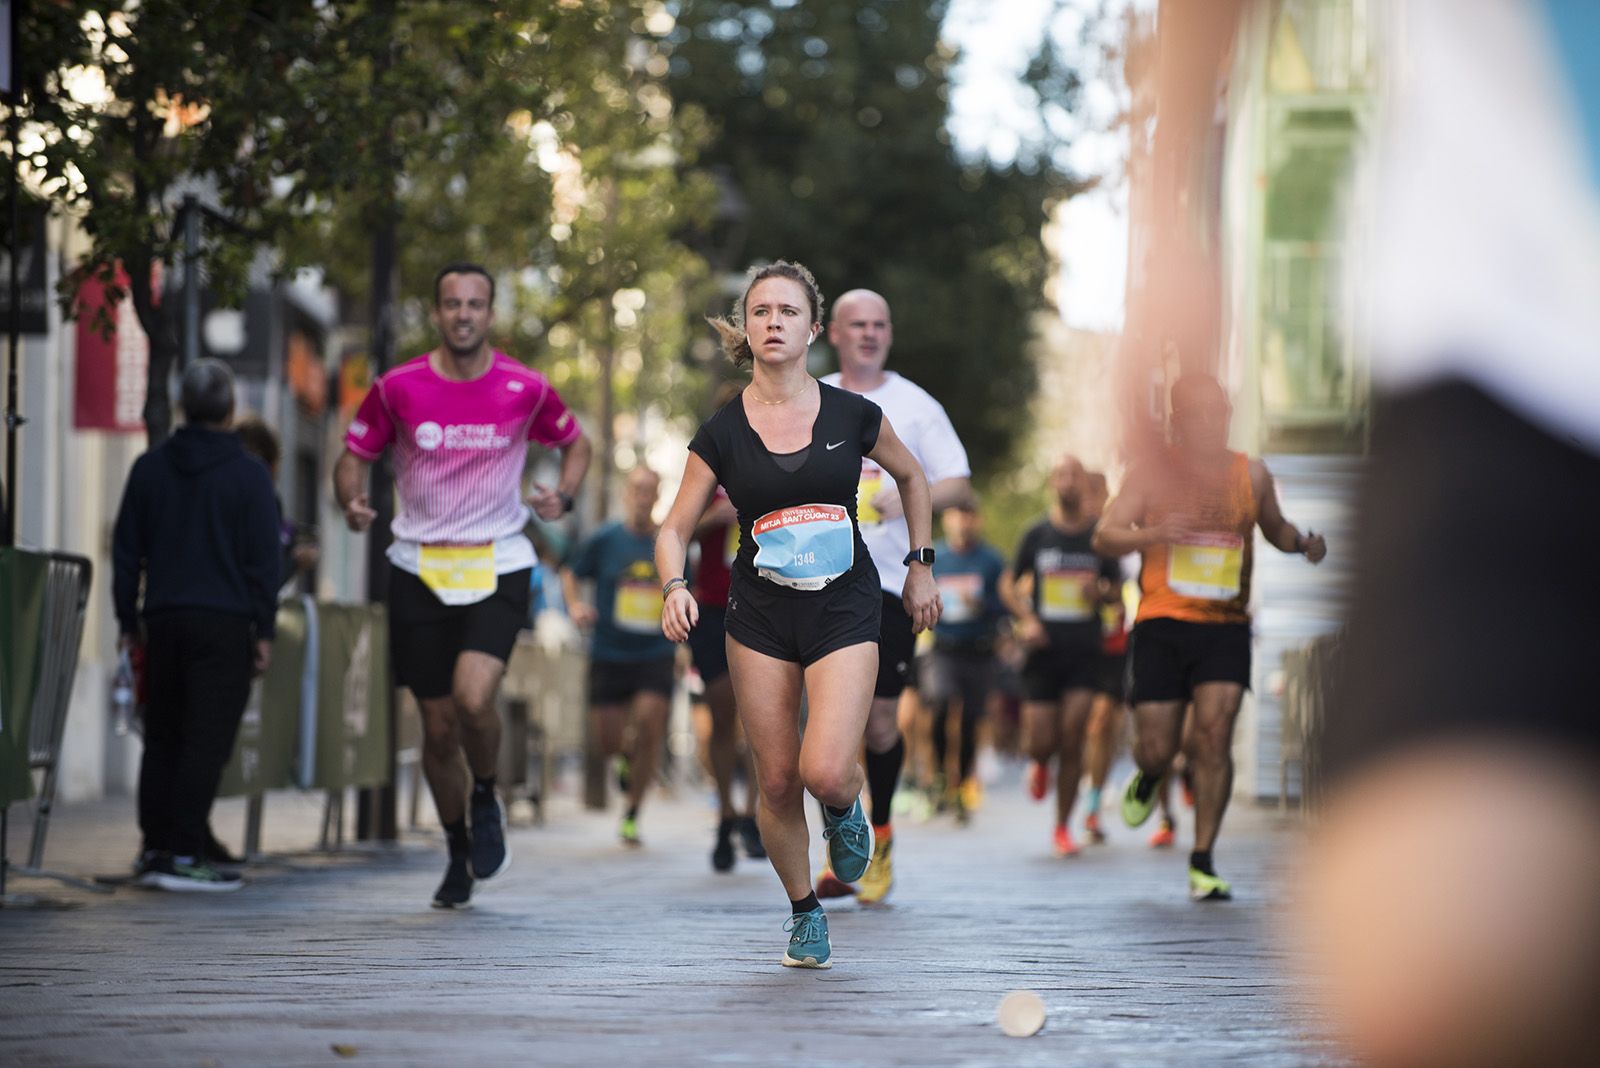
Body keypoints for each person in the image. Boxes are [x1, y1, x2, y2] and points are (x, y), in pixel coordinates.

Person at [656, 261, 939, 969]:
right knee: (777, 779)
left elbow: (911, 476)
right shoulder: (721, 430)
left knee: (827, 771)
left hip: (845, 605)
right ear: (746, 331)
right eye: (761, 312)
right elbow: (674, 525)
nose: (774, 322)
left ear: (814, 328)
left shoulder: (852, 415)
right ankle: (803, 912)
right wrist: (674, 585)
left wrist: (920, 563)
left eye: (788, 311)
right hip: (759, 616)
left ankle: (846, 809)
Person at [334, 262, 591, 909]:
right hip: (418, 565)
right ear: (438, 313)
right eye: (452, 304)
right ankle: (456, 851)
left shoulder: (523, 388)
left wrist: (562, 494)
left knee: (475, 700)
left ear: (490, 313)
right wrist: (352, 501)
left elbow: (575, 444)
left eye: (475, 304)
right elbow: (353, 457)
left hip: (497, 561)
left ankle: (485, 794)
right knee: (437, 724)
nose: (464, 315)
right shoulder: (398, 387)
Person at [1094, 374, 1325, 900]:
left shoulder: (1253, 473)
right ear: (1178, 420)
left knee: (1214, 736)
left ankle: (1203, 859)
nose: (1209, 421)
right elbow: (1104, 534)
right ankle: (1150, 775)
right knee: (1157, 747)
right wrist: (1154, 534)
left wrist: (1302, 543)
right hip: (1162, 623)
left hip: (1225, 627)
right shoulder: (1153, 473)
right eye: (1196, 413)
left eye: (1217, 410)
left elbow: (1274, 526)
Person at [815, 288, 973, 904]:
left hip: (887, 582)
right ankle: (843, 841)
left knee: (879, 724)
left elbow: (958, 482)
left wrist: (909, 489)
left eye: (881, 324)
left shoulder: (915, 406)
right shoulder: (813, 394)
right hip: (817, 578)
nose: (871, 334)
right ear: (833, 331)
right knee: (827, 728)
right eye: (858, 324)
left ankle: (878, 839)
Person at [112, 359, 280, 892]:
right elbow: (263, 563)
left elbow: (125, 552)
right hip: (224, 625)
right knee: (206, 740)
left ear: (182, 406)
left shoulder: (149, 468)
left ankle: (156, 846)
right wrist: (265, 630)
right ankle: (185, 852)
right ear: (231, 410)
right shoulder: (250, 476)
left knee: (162, 734)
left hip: (162, 620)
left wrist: (127, 617)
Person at [1005, 455, 1121, 857]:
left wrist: (1102, 593)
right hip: (1044, 651)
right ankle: (1038, 763)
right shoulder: (1036, 533)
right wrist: (1027, 618)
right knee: (1041, 741)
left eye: (1075, 475)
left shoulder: (1100, 536)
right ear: (1053, 482)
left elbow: (1116, 592)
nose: (1069, 482)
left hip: (1085, 651)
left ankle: (1062, 826)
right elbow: (1008, 584)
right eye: (1062, 475)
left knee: (1073, 738)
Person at [561, 466, 677, 847]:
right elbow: (570, 573)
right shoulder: (607, 539)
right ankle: (625, 756)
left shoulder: (667, 542)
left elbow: (680, 589)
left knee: (648, 723)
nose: (643, 497)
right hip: (609, 650)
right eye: (637, 490)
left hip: (655, 651)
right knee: (608, 741)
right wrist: (576, 606)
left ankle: (631, 813)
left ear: (658, 496)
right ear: (627, 494)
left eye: (650, 491)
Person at [687, 470, 765, 871]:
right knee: (721, 716)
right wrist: (715, 518)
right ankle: (725, 815)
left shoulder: (773, 465)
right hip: (714, 610)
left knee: (758, 721)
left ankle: (752, 815)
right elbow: (678, 530)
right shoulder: (708, 477)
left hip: (762, 605)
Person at [921, 503, 1007, 822]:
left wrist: (984, 603)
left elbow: (1006, 603)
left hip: (979, 649)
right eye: (958, 515)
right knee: (942, 703)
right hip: (943, 646)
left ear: (978, 519)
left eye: (969, 515)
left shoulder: (991, 560)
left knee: (972, 717)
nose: (964, 522)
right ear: (947, 520)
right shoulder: (935, 557)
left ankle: (962, 784)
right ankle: (942, 774)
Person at [1080, 471, 1128, 846]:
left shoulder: (1113, 535)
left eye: (1100, 495)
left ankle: (1093, 804)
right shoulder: (1061, 533)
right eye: (1088, 495)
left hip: (1113, 644)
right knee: (1072, 726)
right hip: (1070, 645)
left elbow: (1118, 592)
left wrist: (1103, 592)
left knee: (1101, 724)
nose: (1093, 503)